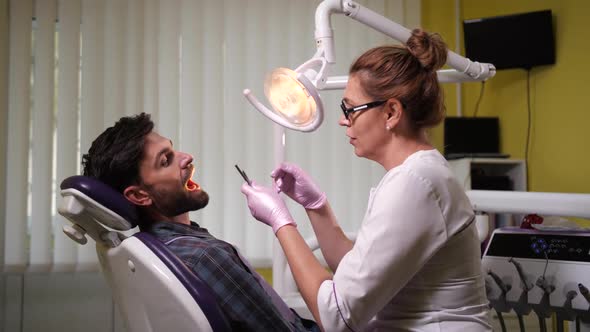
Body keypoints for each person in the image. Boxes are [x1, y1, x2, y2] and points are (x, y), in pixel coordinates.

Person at [240, 29, 492, 331]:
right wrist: (317, 208)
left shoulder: (415, 182)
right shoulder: (415, 175)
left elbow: (337, 316)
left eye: (350, 108)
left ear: (391, 112)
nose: (343, 120)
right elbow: (357, 274)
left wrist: (281, 223)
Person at [82, 112, 318, 332]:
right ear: (139, 196)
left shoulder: (163, 250)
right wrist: (284, 219)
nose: (186, 157)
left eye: (173, 149)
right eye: (166, 160)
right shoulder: (206, 257)